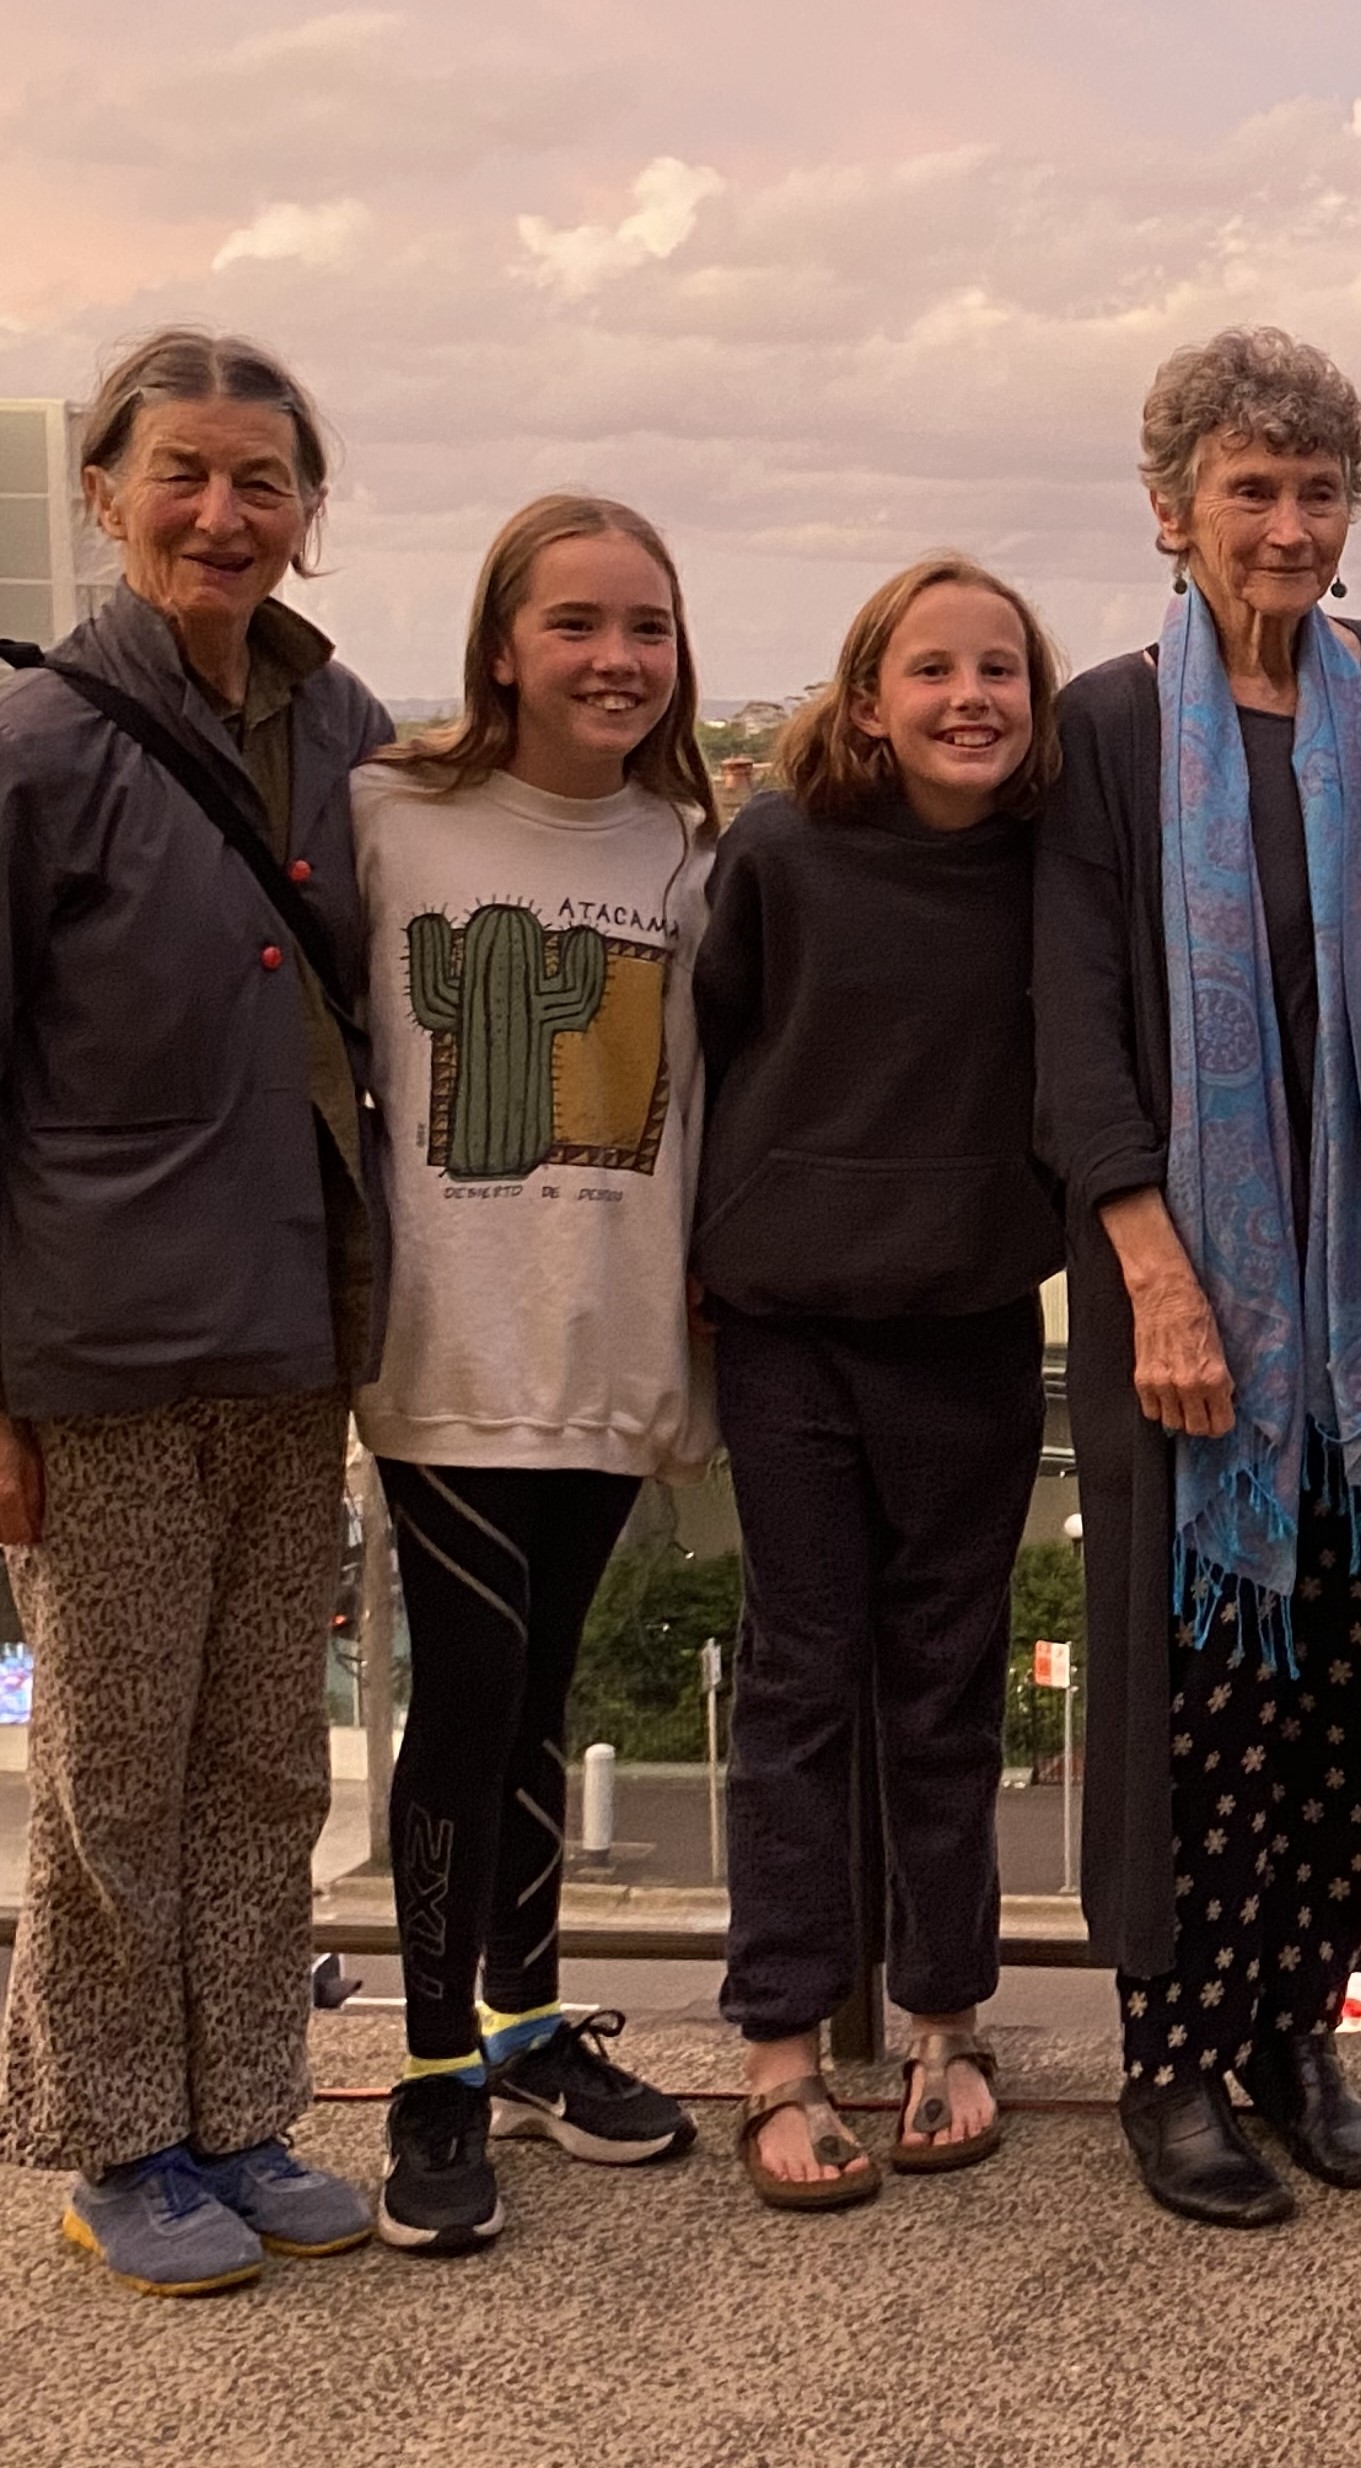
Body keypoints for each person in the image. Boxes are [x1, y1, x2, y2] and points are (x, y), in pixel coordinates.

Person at [1036, 327, 1361, 2227]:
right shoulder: (1108, 726)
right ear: (1173, 513)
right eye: (1252, 490)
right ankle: (1174, 2060)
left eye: (1318, 492)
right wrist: (1150, 1266)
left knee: (1334, 1669)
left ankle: (1299, 2029)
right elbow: (1068, 1013)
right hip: (1189, 1273)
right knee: (1190, 1680)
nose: (1290, 523)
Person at [0, 331, 388, 2293]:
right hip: (105, 1339)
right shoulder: (36, 748)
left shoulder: (348, 729)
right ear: (103, 493)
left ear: (308, 511)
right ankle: (111, 2131)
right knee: (111, 1758)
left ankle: (247, 2105)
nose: (224, 514)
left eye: (262, 481)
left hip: (294, 1324)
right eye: (185, 474)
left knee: (263, 1756)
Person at [352, 495, 718, 2254]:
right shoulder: (389, 820)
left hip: (612, 1337)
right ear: (502, 640)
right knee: (471, 1695)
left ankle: (521, 2023)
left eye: (644, 628)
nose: (615, 660)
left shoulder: (688, 850)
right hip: (444, 1346)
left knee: (543, 1693)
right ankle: (431, 2071)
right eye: (576, 624)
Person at [700, 553, 1071, 2208]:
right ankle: (780, 2051)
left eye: (1001, 669)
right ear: (868, 699)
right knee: (796, 1686)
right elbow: (707, 1055)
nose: (970, 696)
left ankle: (944, 2021)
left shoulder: (1053, 862)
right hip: (788, 1323)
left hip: (975, 1317)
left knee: (945, 1685)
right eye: (933, 670)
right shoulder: (779, 848)